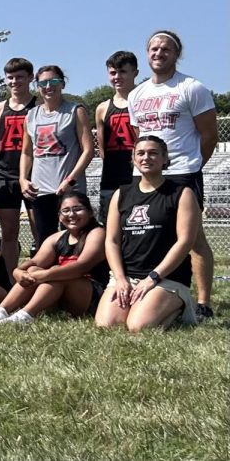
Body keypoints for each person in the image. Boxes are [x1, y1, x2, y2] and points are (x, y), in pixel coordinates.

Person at [126, 30, 216, 322]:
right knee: (151, 235)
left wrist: (192, 166)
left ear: (177, 54)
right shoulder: (137, 94)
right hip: (149, 175)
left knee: (192, 239)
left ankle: (202, 303)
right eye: (153, 48)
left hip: (183, 173)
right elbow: (140, 137)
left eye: (165, 49)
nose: (158, 53)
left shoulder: (192, 88)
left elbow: (209, 135)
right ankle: (158, 293)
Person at [96, 136, 199, 331]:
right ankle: (140, 303)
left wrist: (153, 277)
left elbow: (185, 242)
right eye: (140, 153)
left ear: (164, 159)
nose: (146, 158)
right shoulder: (122, 194)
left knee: (137, 326)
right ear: (133, 159)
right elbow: (112, 240)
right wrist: (119, 279)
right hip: (128, 275)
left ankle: (180, 307)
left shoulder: (181, 193)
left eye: (153, 153)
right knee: (106, 325)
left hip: (166, 277)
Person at [0, 192, 107, 324]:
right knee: (34, 269)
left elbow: (82, 267)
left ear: (90, 212)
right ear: (59, 216)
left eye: (77, 209)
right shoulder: (57, 237)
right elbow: (34, 262)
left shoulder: (97, 233)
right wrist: (18, 272)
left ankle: (25, 316)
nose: (71, 214)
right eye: (65, 210)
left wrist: (45, 274)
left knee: (56, 273)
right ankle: (0, 312)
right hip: (60, 295)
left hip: (90, 297)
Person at [19, 66, 95, 250]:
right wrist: (23, 179)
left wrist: (71, 180)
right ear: (37, 87)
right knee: (46, 241)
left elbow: (88, 150)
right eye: (43, 83)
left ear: (62, 83)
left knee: (75, 240)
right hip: (40, 190)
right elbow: (27, 152)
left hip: (68, 189)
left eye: (53, 82)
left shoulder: (75, 111)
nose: (48, 87)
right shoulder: (31, 115)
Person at [0, 57, 37, 274]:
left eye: (20, 77)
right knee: (9, 234)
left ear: (30, 78)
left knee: (40, 232)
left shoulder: (39, 106)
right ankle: (10, 281)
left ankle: (39, 278)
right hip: (5, 176)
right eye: (10, 78)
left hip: (35, 176)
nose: (14, 81)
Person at [94, 51, 139, 222]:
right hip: (111, 179)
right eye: (113, 72)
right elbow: (102, 148)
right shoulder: (102, 108)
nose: (117, 77)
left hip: (137, 177)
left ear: (135, 73)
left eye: (123, 72)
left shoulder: (143, 103)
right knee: (109, 228)